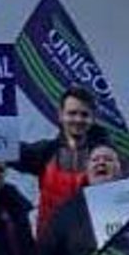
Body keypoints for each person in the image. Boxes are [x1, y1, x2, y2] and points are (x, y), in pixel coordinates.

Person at [14, 87, 110, 235]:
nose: (78, 119)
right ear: (60, 115)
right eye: (72, 113)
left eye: (84, 114)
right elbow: (5, 149)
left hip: (92, 246)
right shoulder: (46, 152)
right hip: (51, 247)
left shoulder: (110, 158)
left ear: (93, 117)